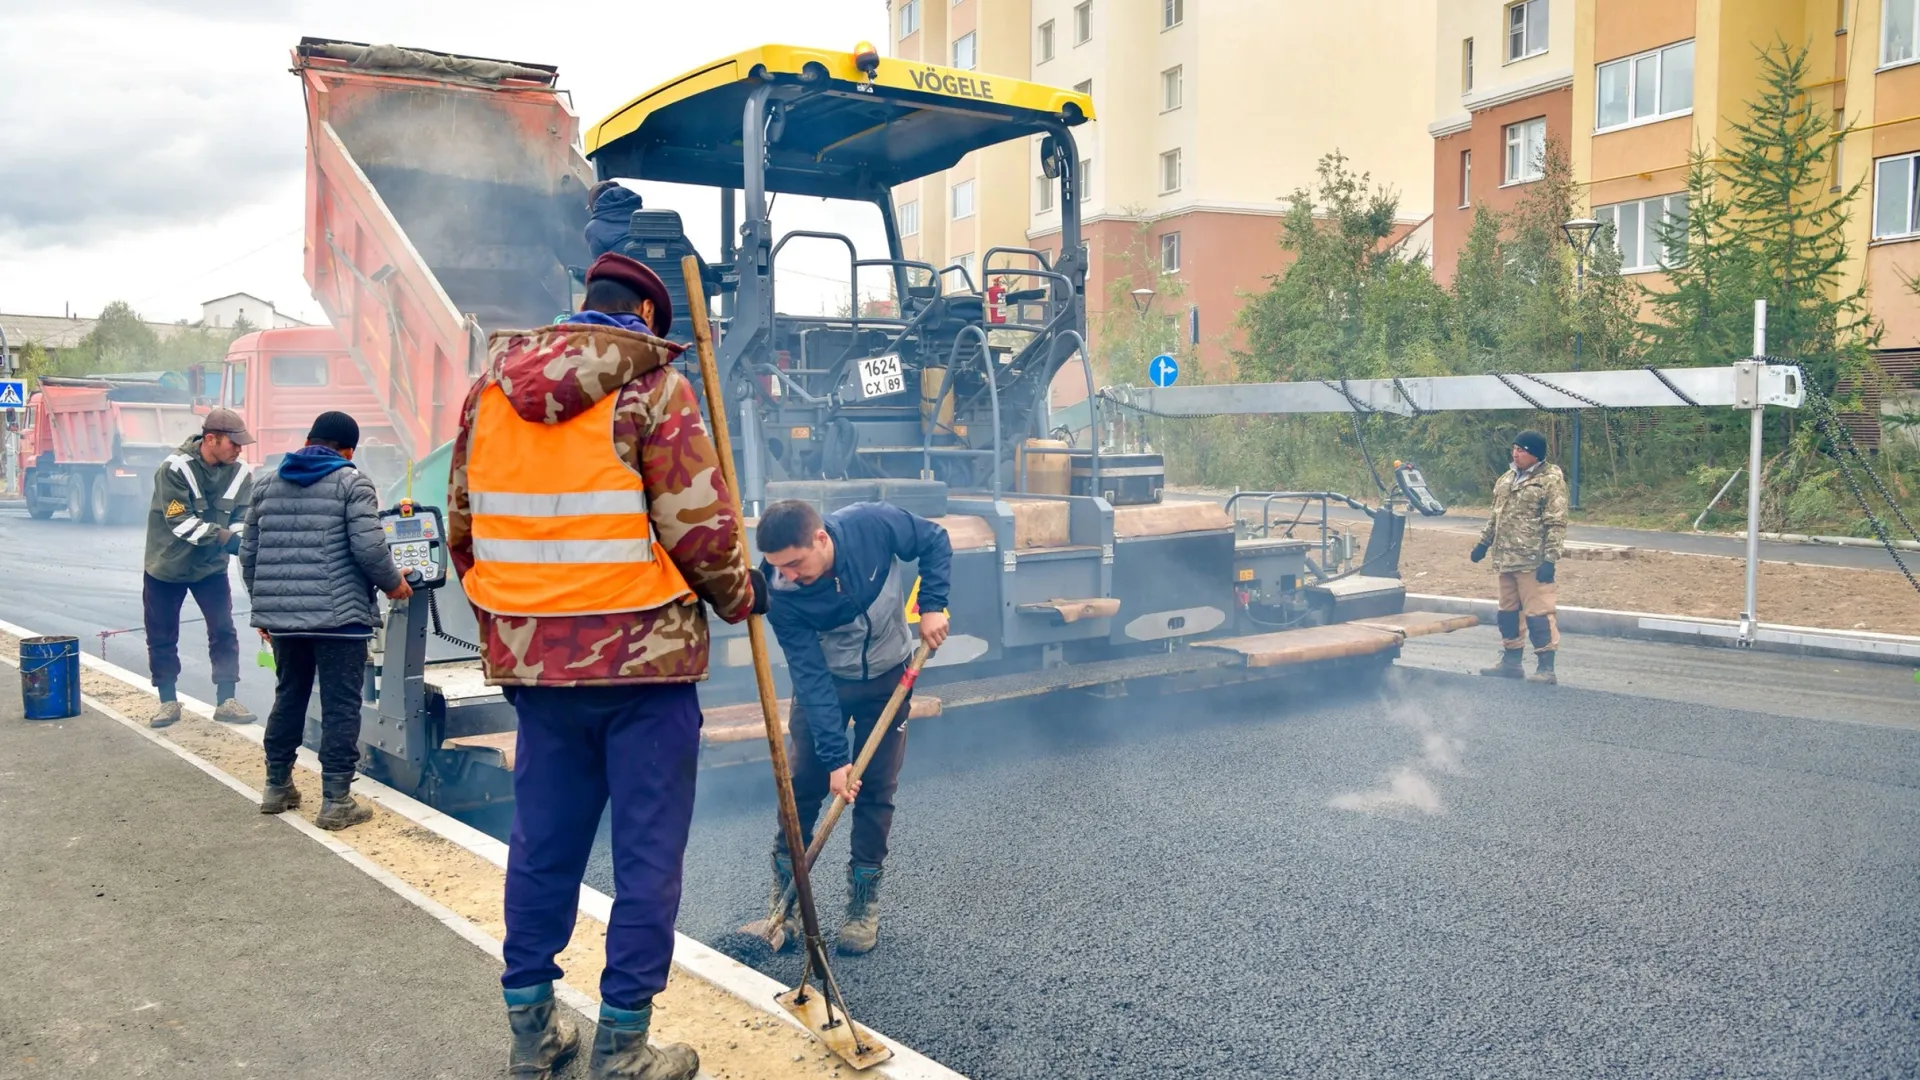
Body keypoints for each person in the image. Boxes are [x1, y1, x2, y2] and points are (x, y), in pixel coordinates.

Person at [448, 252, 759, 1080]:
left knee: (541, 845)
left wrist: (513, 625)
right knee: (647, 854)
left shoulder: (488, 393)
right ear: (648, 320)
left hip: (538, 669)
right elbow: (700, 524)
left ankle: (533, 1035)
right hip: (645, 667)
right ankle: (621, 1048)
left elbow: (462, 526)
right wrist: (741, 597)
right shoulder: (653, 388)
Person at [755, 497, 951, 956]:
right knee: (803, 785)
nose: (788, 576)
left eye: (795, 563)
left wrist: (933, 606)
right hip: (827, 684)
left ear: (821, 538)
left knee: (877, 789)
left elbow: (934, 540)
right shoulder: (781, 596)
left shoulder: (873, 525)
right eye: (778, 567)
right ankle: (786, 901)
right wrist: (835, 759)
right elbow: (810, 678)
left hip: (889, 679)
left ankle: (862, 905)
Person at [240, 411, 410, 831]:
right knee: (340, 706)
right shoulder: (353, 483)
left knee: (290, 696)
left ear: (310, 440)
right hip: (340, 620)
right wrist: (394, 585)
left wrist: (266, 609)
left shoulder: (266, 484)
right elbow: (369, 549)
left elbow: (249, 554)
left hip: (283, 620)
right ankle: (336, 801)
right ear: (348, 449)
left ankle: (277, 787)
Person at [143, 407, 256, 728]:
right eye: (233, 443)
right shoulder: (174, 468)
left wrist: (242, 539)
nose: (239, 449)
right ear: (210, 439)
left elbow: (242, 518)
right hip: (166, 566)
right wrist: (229, 541)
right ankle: (167, 701)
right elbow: (180, 522)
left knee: (223, 630)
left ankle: (227, 699)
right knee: (162, 635)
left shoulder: (242, 472)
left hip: (210, 568)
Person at [1470, 429, 1568, 685]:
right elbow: (1496, 515)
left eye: (1522, 449)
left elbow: (1556, 522)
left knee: (1538, 614)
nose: (1516, 453)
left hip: (1533, 561)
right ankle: (1511, 663)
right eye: (1514, 448)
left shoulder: (1549, 480)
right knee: (1508, 613)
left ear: (1535, 454)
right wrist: (1482, 544)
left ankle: (1546, 668)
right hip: (1505, 559)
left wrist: (1550, 559)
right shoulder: (1506, 478)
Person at [585, 180, 643, 261]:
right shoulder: (642, 217)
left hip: (623, 272)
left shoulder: (593, 228)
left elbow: (599, 265)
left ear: (595, 205)